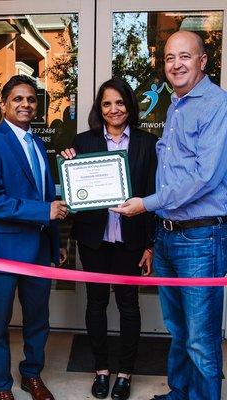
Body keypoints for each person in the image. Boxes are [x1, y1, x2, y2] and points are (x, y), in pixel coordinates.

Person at [111, 31, 227, 400]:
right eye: (170, 58)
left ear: (203, 61)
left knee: (201, 337)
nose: (176, 64)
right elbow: (170, 172)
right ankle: (179, 393)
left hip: (201, 238)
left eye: (186, 56)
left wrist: (146, 203)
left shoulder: (219, 106)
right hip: (169, 236)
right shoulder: (176, 106)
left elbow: (204, 177)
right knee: (180, 330)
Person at [60, 77, 158, 400]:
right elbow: (74, 191)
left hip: (130, 240)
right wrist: (68, 163)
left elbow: (153, 196)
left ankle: (125, 374)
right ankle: (101, 370)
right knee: (96, 303)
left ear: (129, 105)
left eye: (119, 103)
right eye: (106, 104)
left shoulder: (146, 143)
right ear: (99, 109)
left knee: (129, 306)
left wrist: (149, 244)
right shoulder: (84, 142)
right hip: (95, 239)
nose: (113, 109)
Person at [0, 75, 68, 400]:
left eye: (30, 99)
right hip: (2, 250)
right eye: (18, 99)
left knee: (39, 319)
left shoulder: (38, 143)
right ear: (4, 104)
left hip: (39, 249)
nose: (25, 104)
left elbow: (45, 195)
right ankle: (2, 386)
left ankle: (31, 376)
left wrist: (57, 242)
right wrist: (44, 213)